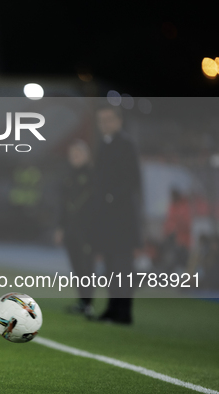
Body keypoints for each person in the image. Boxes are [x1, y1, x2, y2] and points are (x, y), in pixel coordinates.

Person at [91, 106, 143, 325]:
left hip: (121, 218)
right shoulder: (104, 144)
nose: (105, 124)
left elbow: (132, 180)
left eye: (109, 119)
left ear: (119, 121)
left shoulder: (126, 144)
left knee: (122, 265)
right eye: (101, 120)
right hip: (107, 218)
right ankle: (112, 308)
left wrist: (111, 197)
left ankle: (124, 312)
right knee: (111, 265)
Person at [54, 140, 95, 318]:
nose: (74, 158)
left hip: (87, 230)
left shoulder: (93, 176)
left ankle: (88, 303)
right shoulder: (68, 176)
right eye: (72, 154)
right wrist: (60, 227)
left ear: (86, 155)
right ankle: (82, 301)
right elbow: (63, 206)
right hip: (70, 229)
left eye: (78, 154)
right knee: (76, 267)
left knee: (87, 267)